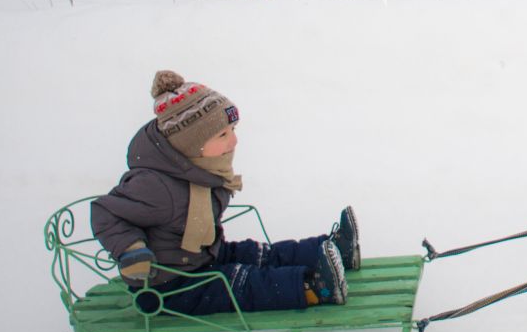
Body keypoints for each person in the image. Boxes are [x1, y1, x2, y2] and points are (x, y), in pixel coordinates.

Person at [91, 70, 359, 316]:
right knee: (241, 283)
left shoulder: (199, 169)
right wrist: (131, 249)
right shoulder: (155, 185)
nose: (234, 141)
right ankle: (314, 288)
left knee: (258, 255)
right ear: (190, 145)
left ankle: (334, 249)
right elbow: (106, 212)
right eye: (222, 135)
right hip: (168, 288)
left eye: (233, 130)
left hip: (201, 258)